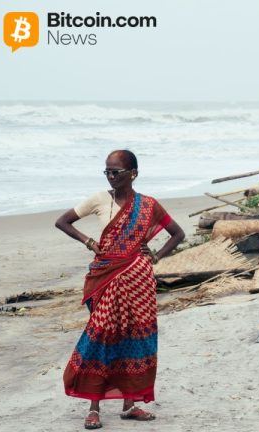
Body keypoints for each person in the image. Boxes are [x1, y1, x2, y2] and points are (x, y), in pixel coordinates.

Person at [55, 150, 185, 429]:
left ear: (133, 174)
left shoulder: (148, 205)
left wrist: (157, 255)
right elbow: (62, 221)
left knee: (134, 338)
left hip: (138, 281)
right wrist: (89, 242)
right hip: (105, 278)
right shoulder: (99, 199)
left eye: (116, 172)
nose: (111, 177)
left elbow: (178, 233)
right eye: (108, 172)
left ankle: (130, 404)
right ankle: (94, 407)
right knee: (101, 337)